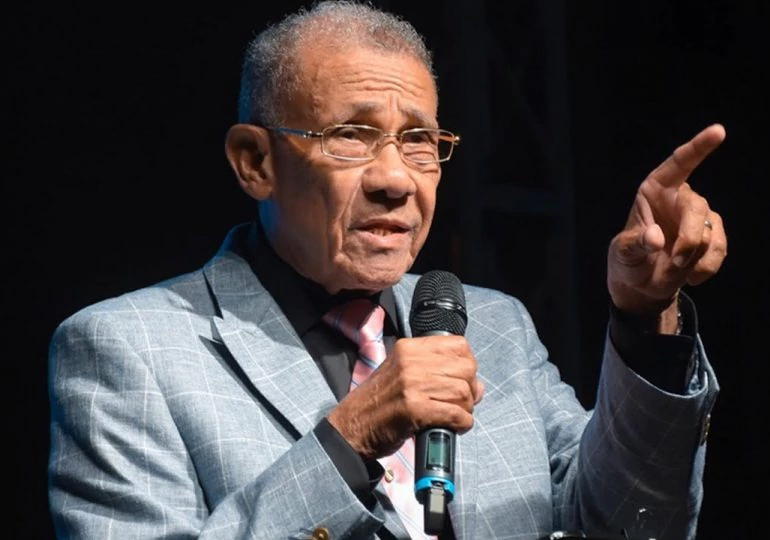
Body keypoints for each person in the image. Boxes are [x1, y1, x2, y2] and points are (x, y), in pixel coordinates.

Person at [47, 1, 727, 539]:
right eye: (351, 135)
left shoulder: (494, 325)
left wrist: (645, 322)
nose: (397, 180)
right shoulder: (127, 350)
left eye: (420, 141)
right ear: (255, 162)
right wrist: (348, 440)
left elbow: (632, 525)